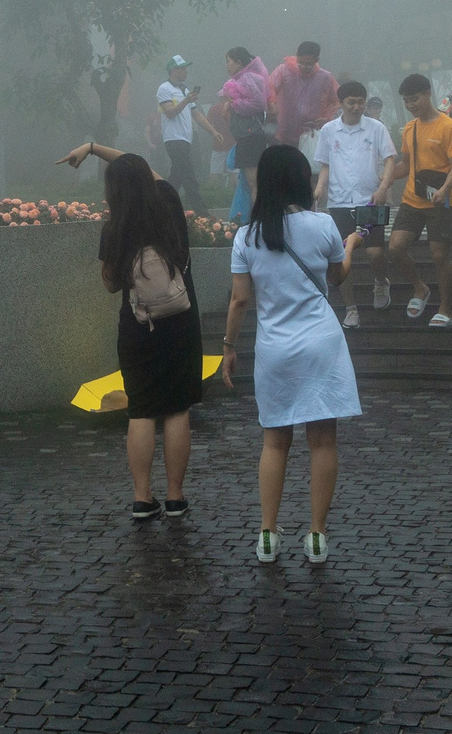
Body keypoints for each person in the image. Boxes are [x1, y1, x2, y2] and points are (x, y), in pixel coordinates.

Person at [219, 145, 361, 565]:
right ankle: (316, 535)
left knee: (275, 441)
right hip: (322, 342)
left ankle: (267, 534)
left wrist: (228, 347)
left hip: (275, 347)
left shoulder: (247, 235)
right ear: (302, 180)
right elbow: (337, 277)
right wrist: (350, 245)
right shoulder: (322, 225)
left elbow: (240, 301)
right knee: (322, 440)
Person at [60, 141, 203, 519]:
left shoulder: (115, 229)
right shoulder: (169, 205)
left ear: (113, 192)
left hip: (138, 327)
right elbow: (137, 165)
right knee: (176, 410)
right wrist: (93, 147)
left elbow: (109, 284)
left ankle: (143, 498)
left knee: (140, 410)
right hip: (180, 323)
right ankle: (175, 498)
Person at [309, 81, 397, 330]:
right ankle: (351, 308)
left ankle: (381, 282)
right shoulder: (329, 130)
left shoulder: (376, 128)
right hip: (339, 203)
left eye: (361, 102)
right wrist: (320, 188)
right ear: (341, 104)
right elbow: (325, 164)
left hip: (371, 200)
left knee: (374, 252)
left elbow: (390, 160)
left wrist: (382, 189)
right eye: (352, 102)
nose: (357, 107)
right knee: (339, 258)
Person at [384, 73, 452, 326]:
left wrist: (445, 189)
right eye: (406, 101)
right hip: (412, 198)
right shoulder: (410, 128)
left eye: (414, 99)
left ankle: (446, 308)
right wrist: (383, 180)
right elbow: (406, 165)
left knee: (439, 255)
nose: (411, 106)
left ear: (428, 93)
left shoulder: (448, 126)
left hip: (440, 200)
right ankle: (420, 288)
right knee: (396, 247)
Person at [220, 48, 272, 209]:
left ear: (238, 62)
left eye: (228, 61)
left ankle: (259, 219)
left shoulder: (249, 78)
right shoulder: (243, 78)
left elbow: (257, 104)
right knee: (249, 182)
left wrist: (233, 102)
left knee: (253, 181)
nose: (226, 66)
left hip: (251, 136)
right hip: (244, 136)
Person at [269, 40, 341, 149]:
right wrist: (272, 105)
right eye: (300, 62)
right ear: (297, 56)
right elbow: (269, 88)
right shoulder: (283, 71)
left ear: (316, 60)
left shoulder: (325, 77)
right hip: (283, 132)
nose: (303, 67)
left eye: (308, 64)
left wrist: (327, 117)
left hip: (310, 135)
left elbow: (337, 100)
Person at [155, 56, 203, 214]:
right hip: (174, 139)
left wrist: (214, 131)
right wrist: (186, 101)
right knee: (189, 177)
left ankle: (159, 206)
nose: (185, 71)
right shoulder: (164, 88)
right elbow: (169, 113)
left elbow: (196, 114)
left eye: (186, 68)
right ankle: (203, 214)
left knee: (176, 178)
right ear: (172, 70)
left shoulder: (185, 90)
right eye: (182, 68)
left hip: (186, 139)